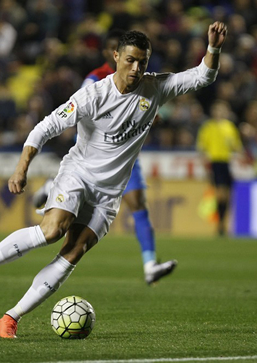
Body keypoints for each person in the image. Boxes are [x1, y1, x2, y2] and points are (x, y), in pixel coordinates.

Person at [0, 22, 228, 339]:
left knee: (74, 251)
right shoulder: (94, 95)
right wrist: (21, 167)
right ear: (116, 56)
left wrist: (213, 47)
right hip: (78, 174)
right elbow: (45, 127)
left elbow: (204, 76)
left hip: (110, 193)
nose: (136, 68)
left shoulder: (156, 88)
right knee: (52, 230)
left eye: (143, 62)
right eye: (130, 60)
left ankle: (10, 318)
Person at [32, 29, 177, 285]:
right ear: (112, 53)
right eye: (124, 55)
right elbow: (78, 112)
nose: (132, 62)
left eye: (138, 59)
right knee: (65, 226)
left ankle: (150, 264)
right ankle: (53, 184)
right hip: (92, 155)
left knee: (139, 204)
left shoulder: (142, 83)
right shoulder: (96, 79)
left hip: (125, 156)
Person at [196, 99, 243, 236]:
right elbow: (202, 146)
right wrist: (204, 162)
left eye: (222, 110)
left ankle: (223, 223)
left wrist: (242, 156)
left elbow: (236, 146)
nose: (219, 113)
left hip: (227, 163)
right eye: (217, 110)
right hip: (215, 162)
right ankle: (220, 225)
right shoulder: (208, 127)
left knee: (227, 195)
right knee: (220, 194)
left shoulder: (230, 127)